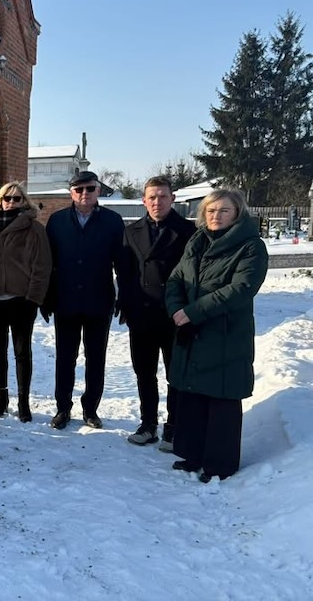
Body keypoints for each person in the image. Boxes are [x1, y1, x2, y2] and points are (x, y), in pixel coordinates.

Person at [165, 188, 268, 483]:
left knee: (221, 399)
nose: (216, 216)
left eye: (224, 210)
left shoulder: (250, 247)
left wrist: (193, 311)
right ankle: (192, 454)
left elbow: (240, 288)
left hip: (224, 334)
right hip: (191, 331)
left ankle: (219, 464)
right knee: (193, 396)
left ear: (237, 213)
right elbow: (176, 279)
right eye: (211, 211)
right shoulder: (197, 241)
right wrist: (175, 308)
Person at [43, 171, 125, 430]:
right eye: (78, 189)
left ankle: (91, 408)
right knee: (65, 358)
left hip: (98, 301)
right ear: (71, 192)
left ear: (98, 190)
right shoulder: (56, 221)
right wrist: (46, 297)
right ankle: (62, 408)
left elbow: (122, 263)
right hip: (65, 301)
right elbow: (48, 263)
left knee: (95, 357)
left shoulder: (113, 221)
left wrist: (123, 295)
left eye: (90, 189)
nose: (84, 194)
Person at [119, 176, 196, 450]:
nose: (157, 202)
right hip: (142, 314)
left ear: (172, 199)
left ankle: (174, 426)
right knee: (144, 372)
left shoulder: (188, 231)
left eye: (163, 196)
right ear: (143, 200)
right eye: (152, 197)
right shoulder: (132, 231)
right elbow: (126, 273)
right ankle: (148, 423)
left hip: (174, 315)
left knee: (175, 373)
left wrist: (187, 310)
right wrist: (125, 303)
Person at [0, 181, 51, 422]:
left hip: (21, 299)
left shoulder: (34, 229)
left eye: (16, 198)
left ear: (24, 201)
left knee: (22, 352)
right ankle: (2, 397)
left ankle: (23, 401)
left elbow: (42, 266)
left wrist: (34, 299)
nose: (11, 202)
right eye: (6, 198)